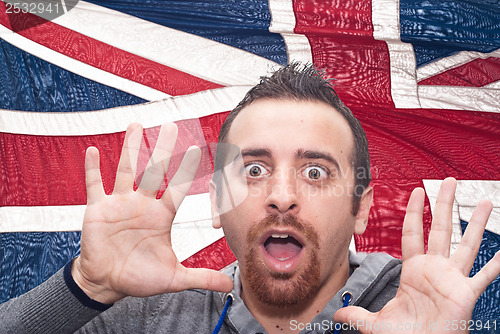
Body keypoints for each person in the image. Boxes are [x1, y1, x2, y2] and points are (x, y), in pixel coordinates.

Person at [1, 63, 499, 334]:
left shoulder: (428, 313)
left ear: (362, 207)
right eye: (255, 169)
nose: (282, 196)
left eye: (315, 171)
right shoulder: (148, 315)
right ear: (218, 202)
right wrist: (84, 286)